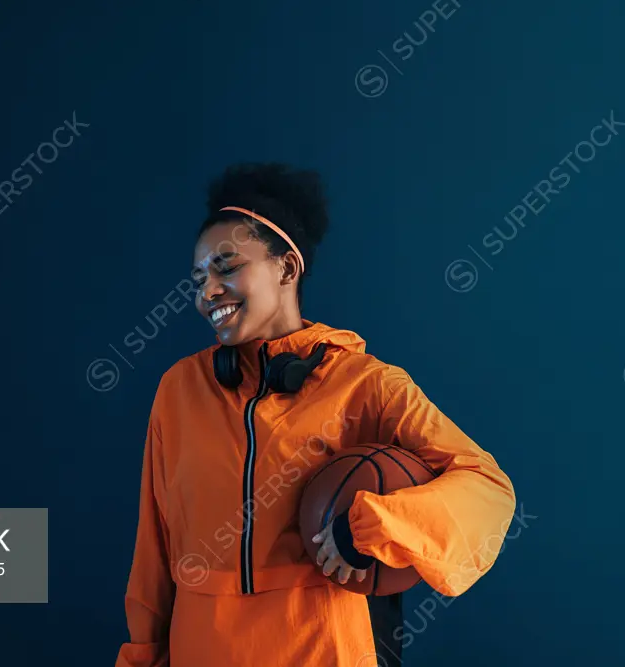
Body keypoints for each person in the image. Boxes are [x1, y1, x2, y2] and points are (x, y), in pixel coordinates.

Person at [115, 163, 516, 667]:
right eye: (199, 278)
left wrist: (377, 523)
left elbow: (487, 490)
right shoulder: (178, 390)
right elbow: (153, 556)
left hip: (325, 649)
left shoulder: (366, 384)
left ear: (286, 268)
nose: (207, 291)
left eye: (227, 266)